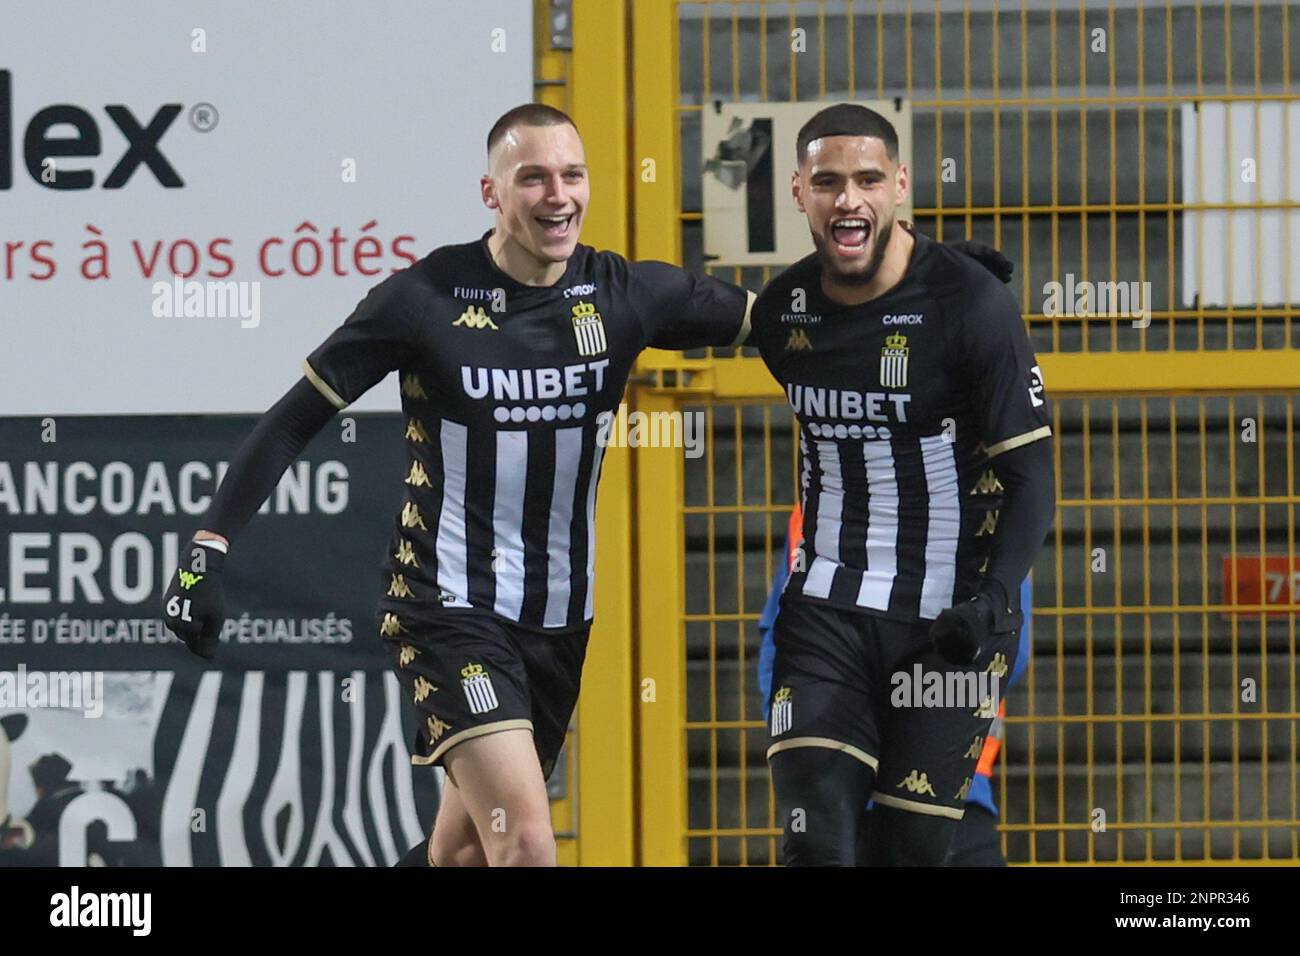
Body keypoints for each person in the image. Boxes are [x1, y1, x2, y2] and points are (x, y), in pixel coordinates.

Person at [160, 103, 754, 868]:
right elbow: (290, 421)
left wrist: (935, 284)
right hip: (446, 604)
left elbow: (790, 322)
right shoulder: (424, 298)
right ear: (491, 193)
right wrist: (205, 552)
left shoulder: (625, 294)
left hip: (559, 619)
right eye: (532, 178)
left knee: (465, 852)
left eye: (572, 175)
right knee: (529, 844)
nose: (557, 196)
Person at [748, 102, 1056, 865]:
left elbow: (1032, 476)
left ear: (900, 186)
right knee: (815, 833)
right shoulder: (785, 311)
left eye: (867, 179)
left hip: (946, 630)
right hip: (826, 613)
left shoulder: (974, 306)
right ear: (797, 192)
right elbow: (667, 312)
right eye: (827, 182)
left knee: (908, 855)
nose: (847, 198)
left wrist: (992, 600)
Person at [755, 505, 1033, 866]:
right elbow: (1008, 646)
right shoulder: (988, 496)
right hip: (939, 790)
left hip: (871, 788)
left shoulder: (824, 496)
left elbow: (777, 647)